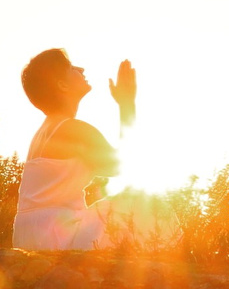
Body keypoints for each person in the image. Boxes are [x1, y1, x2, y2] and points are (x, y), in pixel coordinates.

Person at [11, 48, 136, 250]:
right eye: (71, 68)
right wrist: (126, 103)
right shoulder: (73, 129)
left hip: (28, 236)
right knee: (144, 204)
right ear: (62, 85)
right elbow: (124, 166)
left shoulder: (43, 132)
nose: (81, 68)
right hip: (57, 237)